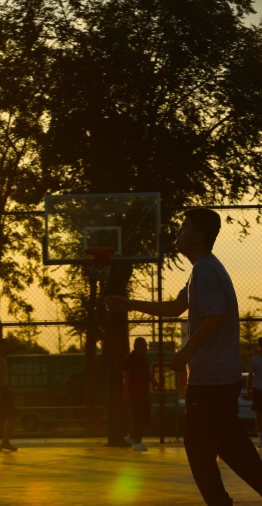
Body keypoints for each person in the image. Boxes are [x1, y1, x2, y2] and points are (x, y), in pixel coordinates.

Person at [105, 207, 262, 505]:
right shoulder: (202, 270)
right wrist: (129, 304)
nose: (178, 232)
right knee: (224, 445)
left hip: (212, 379)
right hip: (216, 378)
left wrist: (187, 350)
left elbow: (216, 315)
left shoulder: (205, 269)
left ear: (199, 236)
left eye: (184, 227)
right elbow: (176, 308)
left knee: (204, 447)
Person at [122, 337, 159, 451]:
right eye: (144, 346)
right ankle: (137, 442)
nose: (146, 348)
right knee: (138, 417)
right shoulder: (130, 359)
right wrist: (126, 392)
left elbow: (148, 375)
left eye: (145, 346)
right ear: (137, 347)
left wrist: (157, 385)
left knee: (146, 417)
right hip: (134, 393)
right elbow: (127, 377)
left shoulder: (144, 359)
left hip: (143, 393)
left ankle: (132, 436)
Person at [245, 337, 262, 448]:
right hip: (258, 389)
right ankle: (261, 437)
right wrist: (249, 390)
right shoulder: (254, 360)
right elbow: (250, 376)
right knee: (259, 414)